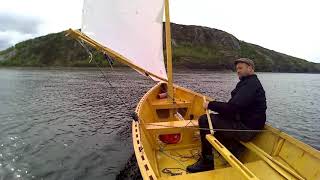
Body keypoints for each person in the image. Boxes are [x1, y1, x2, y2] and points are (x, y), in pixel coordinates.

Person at [186, 58, 267, 173]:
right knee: (216, 119)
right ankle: (234, 148)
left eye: (240, 68)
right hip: (246, 124)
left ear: (250, 68)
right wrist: (217, 107)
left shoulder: (251, 85)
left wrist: (210, 104)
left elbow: (232, 108)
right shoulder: (248, 83)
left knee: (204, 120)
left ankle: (207, 162)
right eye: (237, 69)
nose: (237, 71)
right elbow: (234, 108)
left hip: (246, 130)